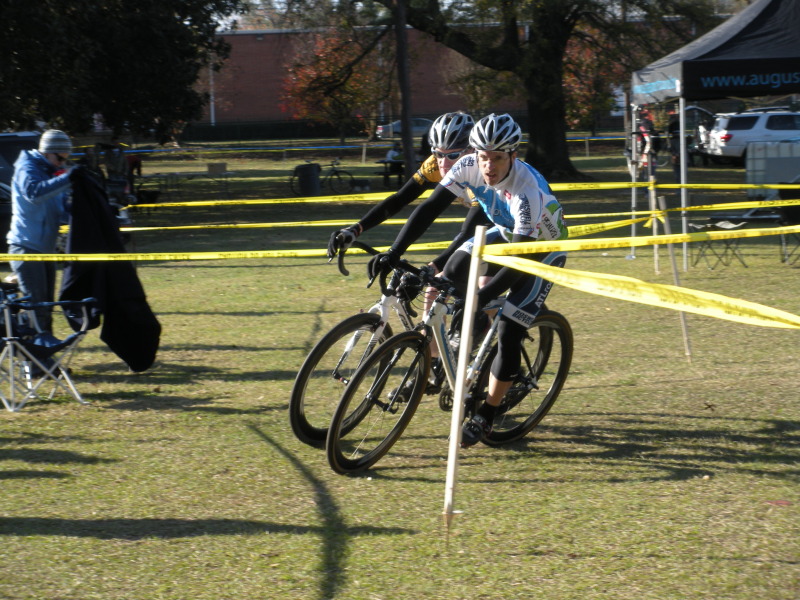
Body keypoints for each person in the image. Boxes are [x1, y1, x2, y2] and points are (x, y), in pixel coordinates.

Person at [366, 113, 568, 447]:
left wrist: (484, 295)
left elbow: (518, 259)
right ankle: (468, 340)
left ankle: (487, 415)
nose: (489, 167)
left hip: (539, 249)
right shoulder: (467, 165)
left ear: (513, 156)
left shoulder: (526, 192)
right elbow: (429, 208)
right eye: (484, 158)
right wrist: (394, 251)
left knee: (509, 330)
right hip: (504, 233)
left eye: (498, 158)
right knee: (455, 269)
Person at [326, 111, 477, 260]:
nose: (444, 163)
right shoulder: (434, 165)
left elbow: (471, 230)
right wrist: (356, 229)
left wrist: (436, 266)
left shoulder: (482, 171)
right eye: (438, 154)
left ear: (471, 150)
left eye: (452, 155)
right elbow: (401, 199)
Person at [7, 129, 82, 334]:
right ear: (47, 152)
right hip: (26, 249)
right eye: (60, 158)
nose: (62, 163)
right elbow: (34, 193)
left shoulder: (50, 173)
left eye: (66, 159)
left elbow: (61, 213)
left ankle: (44, 357)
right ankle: (35, 362)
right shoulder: (26, 167)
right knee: (37, 309)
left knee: (46, 308)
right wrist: (68, 178)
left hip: (45, 251)